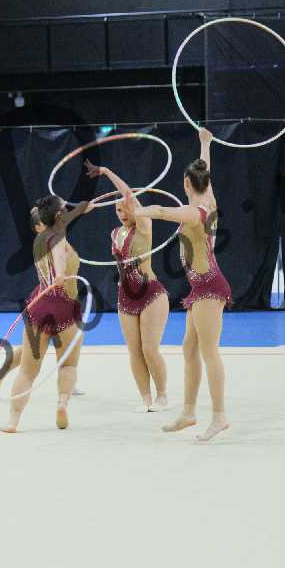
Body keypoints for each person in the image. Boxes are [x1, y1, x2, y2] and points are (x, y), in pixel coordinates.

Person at [133, 127, 230, 442]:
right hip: (201, 287)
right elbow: (206, 172)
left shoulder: (192, 213)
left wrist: (138, 210)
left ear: (186, 184)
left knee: (209, 352)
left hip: (209, 287)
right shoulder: (209, 201)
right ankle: (189, 412)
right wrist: (205, 144)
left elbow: (162, 211)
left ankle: (219, 417)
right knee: (190, 348)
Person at [0, 195, 92, 433]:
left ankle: (13, 421)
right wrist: (60, 273)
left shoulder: (41, 237)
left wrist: (83, 208)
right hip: (65, 308)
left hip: (40, 306)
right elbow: (59, 254)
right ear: (58, 216)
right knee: (68, 365)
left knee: (27, 371)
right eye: (64, 208)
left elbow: (66, 220)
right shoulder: (59, 239)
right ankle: (62, 403)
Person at [84, 158, 169, 411]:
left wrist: (107, 171)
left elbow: (129, 195)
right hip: (126, 296)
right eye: (118, 211)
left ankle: (162, 395)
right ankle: (146, 398)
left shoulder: (144, 225)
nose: (123, 214)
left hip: (151, 293)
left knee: (149, 349)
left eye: (126, 209)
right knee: (134, 351)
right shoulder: (114, 233)